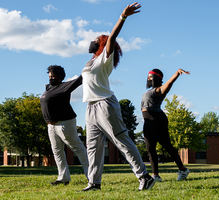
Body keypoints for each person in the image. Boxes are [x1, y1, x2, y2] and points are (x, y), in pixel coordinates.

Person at [81, 2, 155, 191]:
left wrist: (123, 16)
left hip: (106, 105)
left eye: (97, 39)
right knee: (93, 148)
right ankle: (94, 183)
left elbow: (112, 36)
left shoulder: (105, 59)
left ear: (103, 43)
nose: (93, 41)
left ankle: (144, 177)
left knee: (121, 141)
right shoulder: (91, 62)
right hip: (90, 107)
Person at [40, 65, 89, 185]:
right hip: (51, 125)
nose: (51, 78)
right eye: (50, 76)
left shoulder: (64, 86)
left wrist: (90, 65)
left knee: (77, 148)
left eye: (54, 76)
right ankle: (63, 178)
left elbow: (80, 79)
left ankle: (92, 175)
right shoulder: (49, 88)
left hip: (64, 122)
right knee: (57, 151)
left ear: (60, 77)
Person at [141, 68, 191, 182]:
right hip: (147, 121)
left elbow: (169, 83)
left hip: (157, 120)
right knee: (150, 148)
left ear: (156, 78)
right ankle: (155, 176)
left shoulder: (158, 90)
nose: (148, 77)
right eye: (148, 75)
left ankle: (183, 170)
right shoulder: (150, 91)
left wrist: (177, 73)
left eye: (151, 76)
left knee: (167, 146)